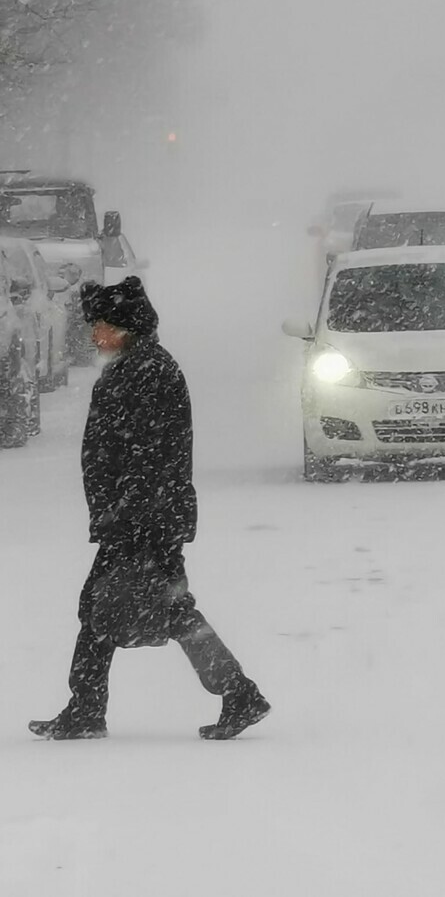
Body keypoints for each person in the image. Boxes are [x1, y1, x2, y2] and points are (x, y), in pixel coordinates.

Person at [30, 276, 270, 740]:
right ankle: (236, 694)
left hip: (142, 519)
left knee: (112, 610)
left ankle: (90, 710)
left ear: (123, 326)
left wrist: (128, 512)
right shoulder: (133, 367)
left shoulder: (148, 372)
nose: (93, 334)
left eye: (100, 324)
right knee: (150, 610)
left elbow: (151, 454)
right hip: (141, 516)